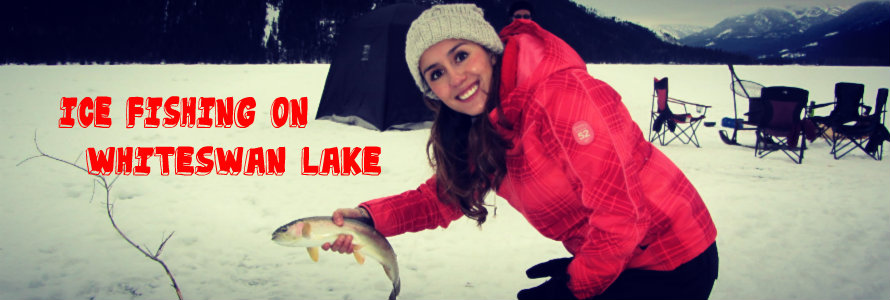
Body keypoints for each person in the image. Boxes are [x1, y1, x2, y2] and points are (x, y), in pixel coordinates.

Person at [321, 4, 718, 299]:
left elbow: (622, 217)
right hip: (612, 255)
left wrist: (574, 286)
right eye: (436, 73)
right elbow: (441, 199)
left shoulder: (564, 98)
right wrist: (369, 219)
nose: (455, 78)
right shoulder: (488, 123)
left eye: (461, 55)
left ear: (490, 50)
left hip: (672, 259)